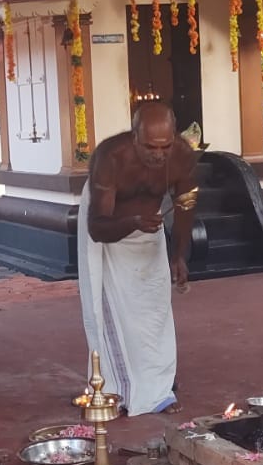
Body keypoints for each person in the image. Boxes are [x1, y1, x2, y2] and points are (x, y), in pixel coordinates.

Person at [79, 101, 199, 416]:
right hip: (107, 230)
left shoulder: (183, 155)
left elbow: (186, 202)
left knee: (154, 309)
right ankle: (116, 389)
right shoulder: (110, 157)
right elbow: (96, 228)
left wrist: (179, 254)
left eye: (165, 146)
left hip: (149, 230)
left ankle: (157, 389)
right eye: (150, 147)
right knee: (111, 312)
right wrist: (131, 223)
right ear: (134, 137)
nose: (159, 155)